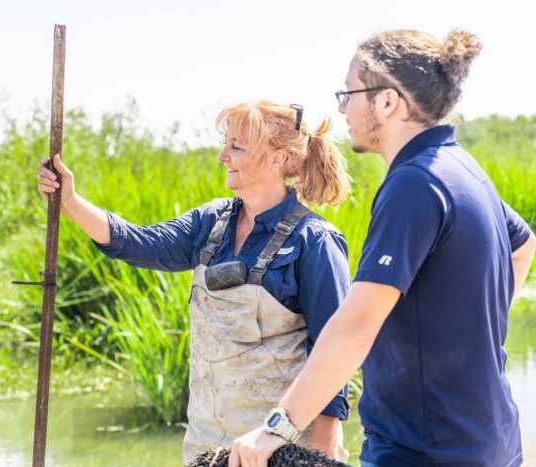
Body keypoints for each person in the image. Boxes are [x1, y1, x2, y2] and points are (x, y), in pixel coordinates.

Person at [228, 30, 536, 467]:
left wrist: (276, 428)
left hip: (425, 451)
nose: (341, 107)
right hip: (491, 441)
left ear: (387, 102)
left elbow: (357, 323)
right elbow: (523, 247)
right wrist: (470, 337)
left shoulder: (414, 183)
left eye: (349, 93)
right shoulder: (462, 168)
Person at [37, 100, 353, 464]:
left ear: (276, 158)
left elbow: (334, 348)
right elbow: (141, 244)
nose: (223, 155)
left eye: (236, 146)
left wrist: (326, 441)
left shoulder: (314, 240)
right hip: (206, 445)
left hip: (281, 447)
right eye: (225, 143)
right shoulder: (210, 222)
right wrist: (70, 202)